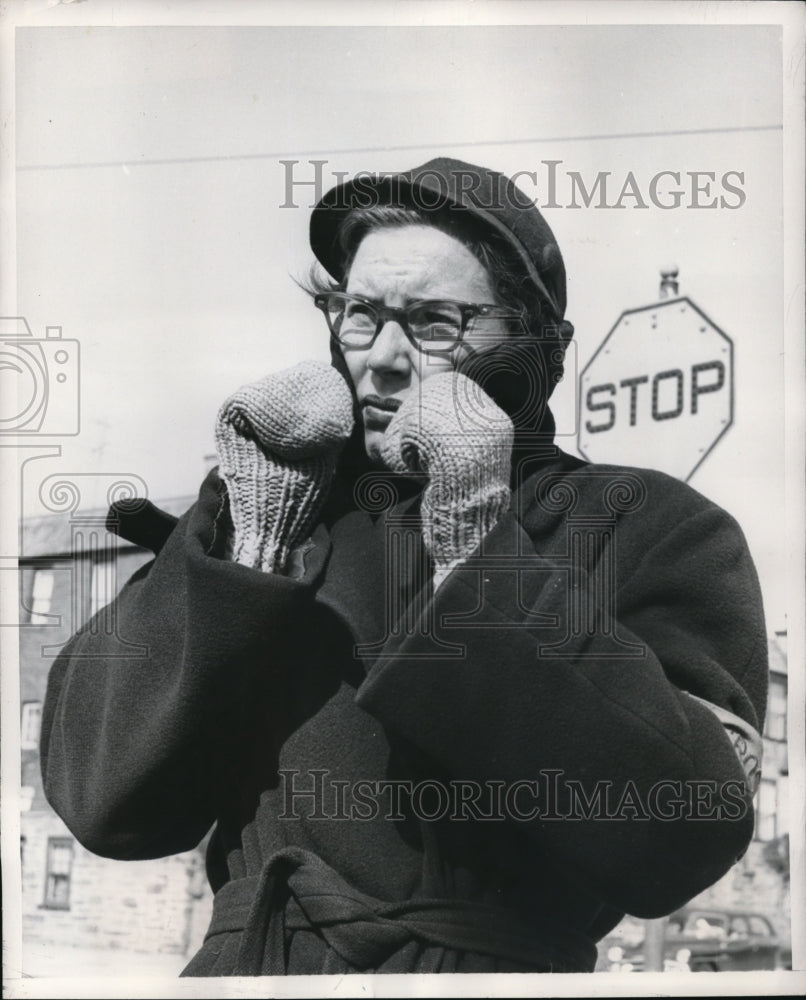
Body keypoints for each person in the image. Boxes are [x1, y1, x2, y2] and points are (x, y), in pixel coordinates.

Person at [40, 158, 768, 976]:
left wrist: (479, 552)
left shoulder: (650, 527)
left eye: (433, 323)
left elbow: (684, 836)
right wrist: (248, 546)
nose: (382, 358)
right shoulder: (284, 502)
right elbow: (105, 804)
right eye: (361, 315)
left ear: (530, 347)